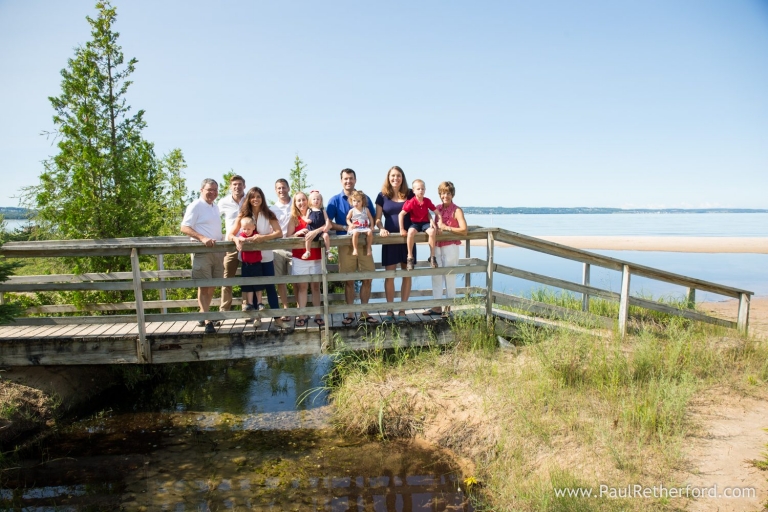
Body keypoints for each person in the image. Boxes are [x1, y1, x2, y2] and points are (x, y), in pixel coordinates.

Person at [227, 186, 286, 329]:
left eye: (258, 197)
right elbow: (230, 234)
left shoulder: (268, 214)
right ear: (249, 199)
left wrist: (263, 238)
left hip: (265, 257)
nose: (255, 199)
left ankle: (277, 319)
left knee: (270, 287)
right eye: (253, 197)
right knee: (252, 287)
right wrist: (236, 240)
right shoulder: (243, 215)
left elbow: (279, 233)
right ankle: (256, 318)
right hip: (248, 258)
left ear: (262, 198)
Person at [326, 168, 379, 325]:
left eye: (351, 178)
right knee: (348, 280)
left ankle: (364, 312)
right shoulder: (335, 200)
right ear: (341, 181)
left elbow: (373, 218)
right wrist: (344, 227)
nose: (348, 181)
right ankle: (350, 313)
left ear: (355, 180)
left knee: (367, 278)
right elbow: (327, 223)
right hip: (345, 244)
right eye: (345, 179)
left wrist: (372, 228)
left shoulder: (364, 198)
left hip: (364, 244)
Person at [180, 179, 224, 334]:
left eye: (215, 190)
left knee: (212, 285)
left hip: (217, 251)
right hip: (202, 251)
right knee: (204, 285)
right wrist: (202, 238)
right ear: (201, 190)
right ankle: (207, 321)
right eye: (209, 190)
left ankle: (203, 313)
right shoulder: (196, 205)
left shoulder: (215, 207)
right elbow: (184, 227)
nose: (212, 193)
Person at [375, 166, 415, 323]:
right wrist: (381, 229)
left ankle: (403, 310)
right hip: (390, 239)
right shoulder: (382, 196)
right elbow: (377, 219)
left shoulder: (410, 194)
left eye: (398, 176)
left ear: (402, 178)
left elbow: (420, 212)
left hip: (408, 240)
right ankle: (389, 310)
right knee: (389, 275)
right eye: (392, 176)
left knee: (407, 274)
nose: (395, 178)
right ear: (388, 177)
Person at [427, 181, 468, 318]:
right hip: (437, 246)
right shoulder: (437, 208)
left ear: (452, 194)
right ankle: (437, 306)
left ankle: (448, 308)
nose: (445, 196)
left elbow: (464, 230)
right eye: (443, 193)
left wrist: (447, 228)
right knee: (436, 276)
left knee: (450, 276)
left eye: (448, 193)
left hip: (451, 246)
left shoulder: (457, 210)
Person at [287, 191, 323, 327]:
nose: (301, 203)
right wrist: (296, 233)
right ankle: (301, 315)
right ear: (295, 203)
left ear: (307, 200)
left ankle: (317, 314)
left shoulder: (315, 213)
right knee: (302, 287)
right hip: (300, 257)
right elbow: (287, 237)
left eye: (303, 200)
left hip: (316, 257)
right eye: (298, 201)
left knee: (315, 287)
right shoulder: (294, 218)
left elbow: (326, 226)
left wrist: (316, 231)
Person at [399, 179, 442, 271]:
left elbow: (437, 212)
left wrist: (438, 224)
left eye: (422, 189)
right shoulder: (411, 202)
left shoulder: (427, 201)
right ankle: (410, 257)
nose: (421, 191)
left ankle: (432, 256)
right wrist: (402, 229)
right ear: (413, 191)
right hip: (415, 223)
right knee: (410, 232)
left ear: (425, 190)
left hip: (425, 223)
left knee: (432, 231)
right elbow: (401, 214)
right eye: (418, 189)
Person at [218, 174, 246, 312]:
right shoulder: (223, 202)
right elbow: (214, 220)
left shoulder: (250, 200)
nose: (237, 187)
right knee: (227, 278)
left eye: (240, 184)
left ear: (244, 186)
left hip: (248, 244)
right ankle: (224, 310)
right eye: (234, 184)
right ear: (230, 187)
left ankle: (247, 308)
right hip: (230, 245)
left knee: (249, 277)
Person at [269, 179, 293, 319]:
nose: (281, 190)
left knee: (298, 280)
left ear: (288, 188)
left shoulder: (295, 204)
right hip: (277, 248)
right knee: (280, 280)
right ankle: (285, 309)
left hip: (294, 246)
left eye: (283, 187)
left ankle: (299, 310)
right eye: (278, 188)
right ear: (275, 190)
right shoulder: (272, 209)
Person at [234, 217, 262, 315]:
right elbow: (240, 238)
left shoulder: (256, 235)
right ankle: (250, 303)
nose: (246, 231)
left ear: (253, 227)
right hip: (245, 264)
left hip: (256, 263)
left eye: (248, 229)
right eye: (244, 229)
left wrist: (246, 239)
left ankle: (259, 302)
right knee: (248, 285)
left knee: (258, 284)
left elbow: (255, 239)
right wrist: (241, 239)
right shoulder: (242, 235)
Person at [302, 190, 331, 259]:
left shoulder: (322, 210)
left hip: (321, 231)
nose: (316, 201)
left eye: (318, 199)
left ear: (321, 201)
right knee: (308, 237)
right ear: (310, 201)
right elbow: (305, 218)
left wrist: (327, 225)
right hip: (311, 229)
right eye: (314, 199)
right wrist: (307, 220)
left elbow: (327, 219)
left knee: (326, 235)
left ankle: (328, 251)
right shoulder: (310, 210)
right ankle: (308, 251)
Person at [346, 189, 374, 257]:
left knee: (370, 233)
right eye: (354, 201)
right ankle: (355, 249)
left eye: (358, 201)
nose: (356, 203)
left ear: (362, 202)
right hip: (356, 227)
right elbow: (347, 219)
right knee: (355, 233)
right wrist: (350, 224)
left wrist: (372, 226)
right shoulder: (352, 211)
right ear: (351, 201)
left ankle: (368, 248)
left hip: (364, 227)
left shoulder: (366, 209)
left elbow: (370, 218)